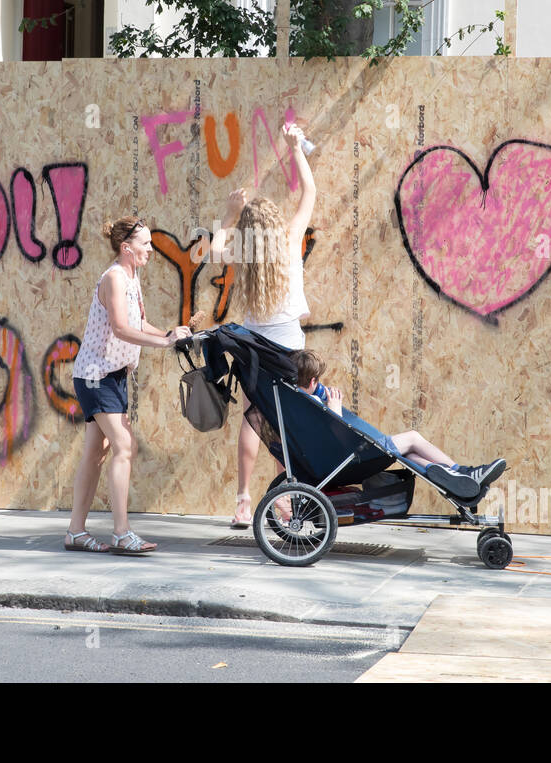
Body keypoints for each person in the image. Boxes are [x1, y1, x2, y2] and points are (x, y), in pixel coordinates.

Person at [212, 122, 316, 527]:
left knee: (256, 417)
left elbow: (216, 248)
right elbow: (309, 194)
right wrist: (295, 149)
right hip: (290, 350)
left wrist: (229, 214)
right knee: (287, 424)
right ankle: (283, 500)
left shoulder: (243, 252)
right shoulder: (290, 242)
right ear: (274, 223)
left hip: (255, 353)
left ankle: (242, 501)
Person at [67, 217, 192, 555]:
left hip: (112, 373)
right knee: (125, 446)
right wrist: (163, 344)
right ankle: (121, 532)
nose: (151, 250)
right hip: (95, 374)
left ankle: (75, 532)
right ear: (127, 248)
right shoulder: (114, 278)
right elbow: (121, 328)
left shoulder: (132, 278)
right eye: (145, 244)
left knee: (97, 452)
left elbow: (138, 323)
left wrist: (168, 333)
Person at [291, 349, 505, 486]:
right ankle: (464, 473)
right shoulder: (314, 404)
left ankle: (459, 480)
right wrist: (335, 408)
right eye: (318, 381)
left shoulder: (296, 403)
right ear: (312, 382)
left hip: (348, 457)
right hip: (352, 459)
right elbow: (335, 437)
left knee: (411, 454)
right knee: (412, 438)